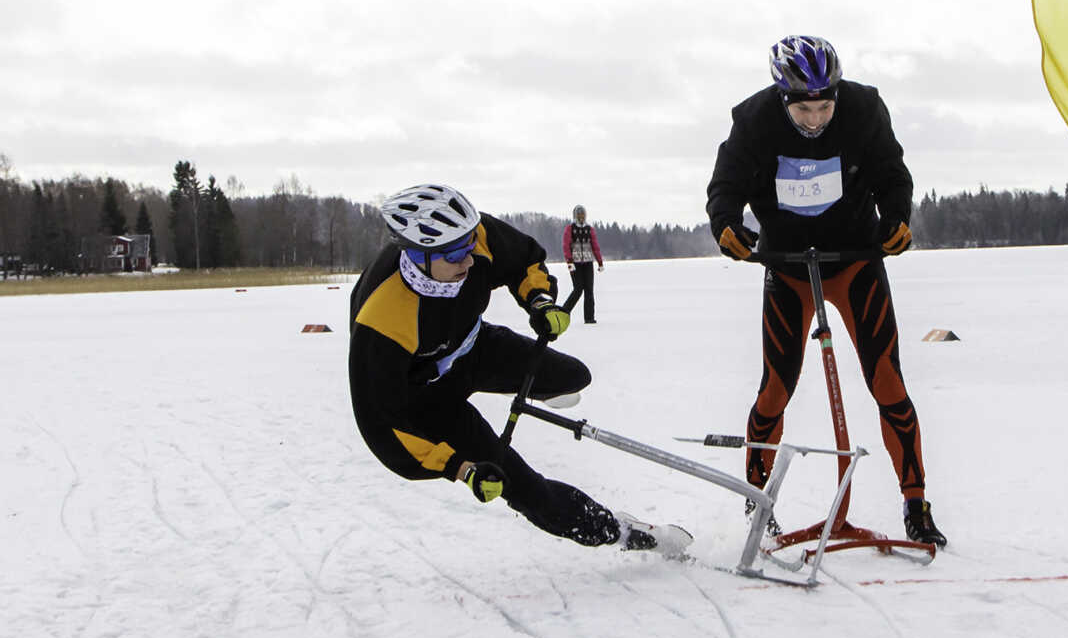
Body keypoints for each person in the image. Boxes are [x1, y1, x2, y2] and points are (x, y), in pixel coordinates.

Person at [349, 183, 689, 554]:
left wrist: (540, 302)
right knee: (525, 487)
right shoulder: (380, 319)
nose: (468, 260)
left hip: (475, 348)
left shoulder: (472, 237)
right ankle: (622, 531)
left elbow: (525, 259)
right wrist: (462, 469)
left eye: (469, 247)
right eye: (454, 255)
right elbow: (383, 425)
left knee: (573, 376)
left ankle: (538, 389)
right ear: (416, 254)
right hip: (429, 400)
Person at [706, 35, 946, 547]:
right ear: (781, 97)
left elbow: (891, 175)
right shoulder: (753, 121)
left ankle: (916, 503)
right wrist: (726, 225)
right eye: (805, 109)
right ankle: (757, 501)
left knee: (887, 383)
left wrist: (897, 219)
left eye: (825, 106)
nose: (816, 119)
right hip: (788, 266)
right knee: (775, 388)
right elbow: (725, 186)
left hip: (854, 262)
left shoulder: (864, 109)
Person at [562, 204, 604, 324]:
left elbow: (595, 246)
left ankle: (589, 318)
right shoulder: (570, 229)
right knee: (578, 289)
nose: (581, 217)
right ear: (575, 216)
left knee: (589, 290)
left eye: (583, 214)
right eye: (579, 215)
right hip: (575, 264)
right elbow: (566, 245)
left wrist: (599, 261)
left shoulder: (589, 229)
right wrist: (569, 261)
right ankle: (564, 311)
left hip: (588, 263)